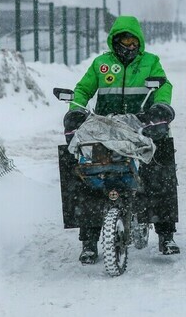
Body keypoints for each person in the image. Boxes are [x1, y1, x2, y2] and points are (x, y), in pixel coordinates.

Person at [62, 16, 179, 264]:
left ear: (139, 41)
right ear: (114, 41)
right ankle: (89, 242)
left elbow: (163, 86)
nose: (129, 45)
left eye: (133, 39)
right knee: (84, 176)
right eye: (123, 39)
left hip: (142, 125)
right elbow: (82, 90)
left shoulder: (150, 62)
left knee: (161, 171)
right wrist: (76, 110)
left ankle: (166, 235)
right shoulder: (101, 64)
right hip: (106, 129)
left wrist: (160, 107)